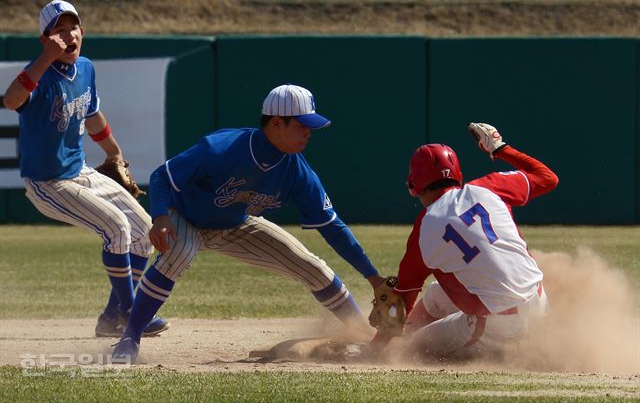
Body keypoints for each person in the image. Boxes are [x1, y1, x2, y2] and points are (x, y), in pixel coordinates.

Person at [112, 83, 384, 363]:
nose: (308, 132)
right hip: (185, 217)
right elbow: (161, 177)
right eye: (302, 125)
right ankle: (130, 338)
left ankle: (363, 334)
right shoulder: (221, 148)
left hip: (234, 224)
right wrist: (160, 217)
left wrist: (373, 277)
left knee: (312, 267)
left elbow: (332, 227)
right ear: (277, 123)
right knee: (180, 253)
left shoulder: (297, 171)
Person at [2, 0, 168, 338]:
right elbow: (11, 100)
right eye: (58, 31)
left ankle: (110, 319)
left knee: (142, 231)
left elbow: (93, 117)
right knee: (118, 228)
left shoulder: (87, 68)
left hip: (80, 172)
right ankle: (132, 313)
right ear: (45, 39)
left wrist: (115, 154)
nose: (68, 35)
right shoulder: (39, 75)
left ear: (83, 31)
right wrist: (46, 57)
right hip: (48, 184)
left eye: (72, 27)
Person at [387, 122, 558, 361]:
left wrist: (379, 344)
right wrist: (500, 148)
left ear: (413, 186)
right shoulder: (489, 188)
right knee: (436, 294)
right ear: (459, 176)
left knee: (412, 348)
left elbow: (403, 297)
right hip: (539, 301)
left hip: (498, 326)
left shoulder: (425, 226)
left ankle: (411, 339)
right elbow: (547, 178)